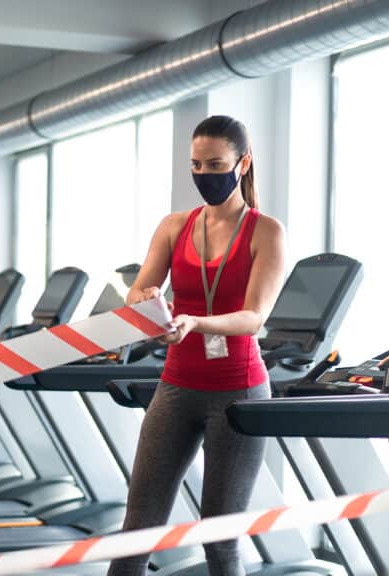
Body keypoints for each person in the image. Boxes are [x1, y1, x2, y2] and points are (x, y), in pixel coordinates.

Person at [108, 115, 286, 576]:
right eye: (196, 165)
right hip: (176, 386)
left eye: (215, 164)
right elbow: (138, 290)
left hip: (238, 392)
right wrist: (145, 299)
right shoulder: (174, 226)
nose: (205, 175)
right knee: (138, 528)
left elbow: (254, 317)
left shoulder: (266, 231)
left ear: (242, 164)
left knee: (218, 537)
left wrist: (197, 321)